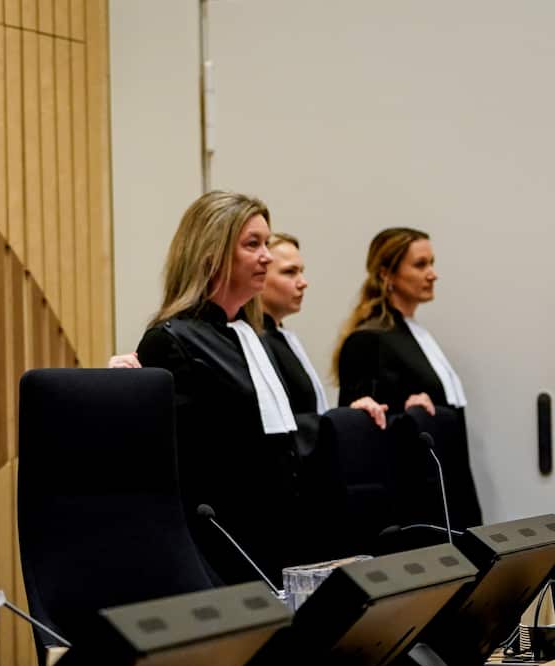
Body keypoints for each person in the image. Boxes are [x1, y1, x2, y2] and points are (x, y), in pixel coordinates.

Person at [123, 191, 305, 585]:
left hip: (275, 534)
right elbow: (174, 471)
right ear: (212, 254)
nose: (267, 257)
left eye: (266, 244)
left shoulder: (251, 336)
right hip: (219, 547)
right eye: (252, 245)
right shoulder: (170, 340)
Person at [334, 227, 466, 416]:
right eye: (420, 265)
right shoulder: (368, 339)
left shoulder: (415, 333)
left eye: (431, 263)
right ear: (386, 274)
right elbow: (356, 423)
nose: (432, 275)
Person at [260, 233, 387, 429]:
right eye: (289, 272)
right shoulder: (258, 341)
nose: (303, 282)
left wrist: (347, 415)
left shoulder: (283, 336)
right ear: (258, 275)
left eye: (301, 271)